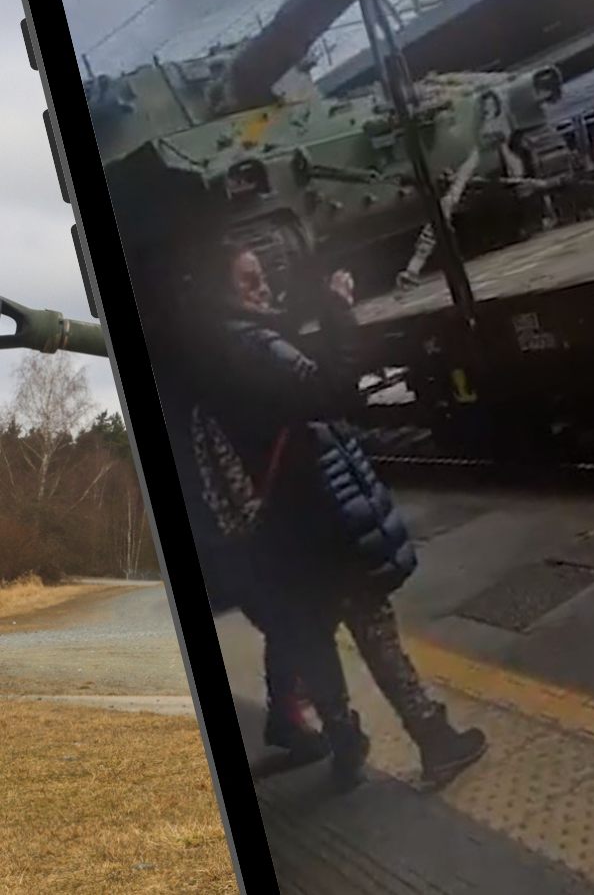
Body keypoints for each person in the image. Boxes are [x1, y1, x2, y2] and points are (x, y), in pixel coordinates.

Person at [191, 243, 487, 792]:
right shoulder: (252, 344)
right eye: (249, 280)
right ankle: (435, 740)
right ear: (222, 292)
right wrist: (338, 308)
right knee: (374, 627)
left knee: (314, 638)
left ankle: (345, 744)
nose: (263, 288)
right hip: (318, 515)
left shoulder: (211, 353)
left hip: (281, 534)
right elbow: (327, 389)